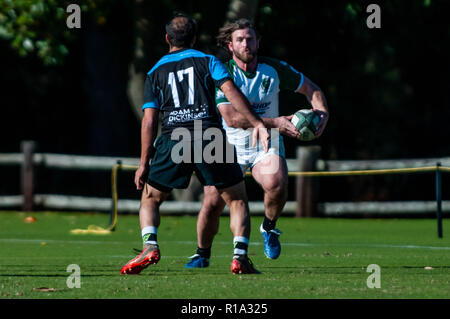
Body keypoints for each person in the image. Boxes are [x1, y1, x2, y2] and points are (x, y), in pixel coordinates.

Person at [120, 13, 270, 275]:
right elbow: (232, 93)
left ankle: (150, 245)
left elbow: (148, 122)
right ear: (194, 38)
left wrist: (143, 163)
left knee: (151, 199)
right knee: (237, 199)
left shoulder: (155, 72)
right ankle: (240, 257)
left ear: (168, 39)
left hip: (172, 139)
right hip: (209, 136)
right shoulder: (209, 60)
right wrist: (257, 123)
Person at [185, 19, 329, 268]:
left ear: (258, 42)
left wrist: (322, 114)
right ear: (230, 45)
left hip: (266, 140)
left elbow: (312, 90)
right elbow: (231, 118)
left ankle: (269, 228)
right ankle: (202, 253)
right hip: (229, 145)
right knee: (212, 202)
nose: (246, 43)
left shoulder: (274, 69)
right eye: (240, 39)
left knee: (276, 183)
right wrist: (277, 122)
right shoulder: (222, 71)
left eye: (250, 38)